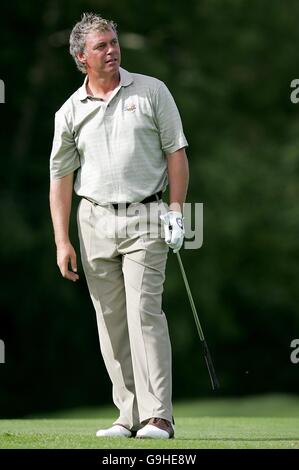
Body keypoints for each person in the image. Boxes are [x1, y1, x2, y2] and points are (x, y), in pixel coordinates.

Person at [49, 12, 189, 439]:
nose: (112, 50)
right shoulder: (70, 111)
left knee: (144, 312)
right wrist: (62, 241)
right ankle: (127, 415)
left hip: (146, 215)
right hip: (92, 220)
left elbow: (176, 153)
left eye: (113, 42)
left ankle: (158, 416)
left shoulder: (151, 91)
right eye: (101, 46)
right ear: (81, 57)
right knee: (110, 320)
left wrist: (177, 211)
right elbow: (61, 178)